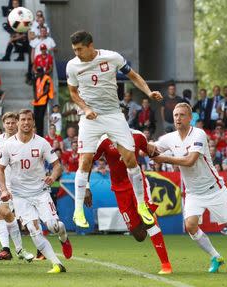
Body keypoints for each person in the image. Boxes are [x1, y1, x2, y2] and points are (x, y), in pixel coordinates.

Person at [66, 30, 162, 228]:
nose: (76, 53)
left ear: (90, 45)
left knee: (130, 159)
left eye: (79, 49)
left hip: (113, 115)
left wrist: (148, 92)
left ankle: (142, 206)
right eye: (74, 50)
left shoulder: (112, 57)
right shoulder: (72, 65)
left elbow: (133, 76)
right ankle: (78, 211)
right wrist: (85, 108)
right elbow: (73, 92)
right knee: (85, 160)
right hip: (89, 117)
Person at [151, 102, 227, 273]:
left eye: (182, 115)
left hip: (214, 189)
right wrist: (138, 143)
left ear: (190, 118)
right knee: (190, 226)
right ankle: (216, 257)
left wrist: (163, 158)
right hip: (193, 193)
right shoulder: (169, 138)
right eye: (176, 115)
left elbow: (189, 161)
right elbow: (152, 147)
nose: (178, 118)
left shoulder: (198, 134)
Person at [85, 106, 172, 274]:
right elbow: (87, 162)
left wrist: (172, 155)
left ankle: (166, 264)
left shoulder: (138, 136)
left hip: (137, 184)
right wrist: (87, 188)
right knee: (138, 235)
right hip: (119, 189)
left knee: (149, 220)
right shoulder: (104, 140)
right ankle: (146, 219)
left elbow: (152, 153)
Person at [0, 109, 72, 273]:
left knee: (53, 226)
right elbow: (0, 169)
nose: (25, 122)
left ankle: (63, 237)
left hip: (40, 192)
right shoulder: (9, 145)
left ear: (33, 122)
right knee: (32, 229)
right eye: (22, 119)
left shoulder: (42, 143)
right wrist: (3, 189)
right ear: (18, 122)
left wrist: (52, 176)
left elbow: (57, 166)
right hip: (19, 196)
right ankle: (56, 264)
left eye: (28, 119)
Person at [0, 114, 34, 262]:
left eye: (12, 122)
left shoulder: (22, 140)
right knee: (2, 214)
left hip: (20, 184)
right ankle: (7, 249)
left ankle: (37, 248)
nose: (10, 125)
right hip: (1, 184)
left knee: (27, 217)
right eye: (7, 123)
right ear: (3, 124)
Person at [32, 67, 53, 136]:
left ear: (42, 72)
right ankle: (36, 132)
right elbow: (35, 88)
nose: (37, 74)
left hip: (43, 100)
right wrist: (35, 97)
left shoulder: (47, 78)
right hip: (37, 101)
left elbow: (46, 90)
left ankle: (40, 134)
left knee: (40, 117)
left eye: (38, 73)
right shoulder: (37, 78)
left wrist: (39, 97)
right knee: (35, 117)